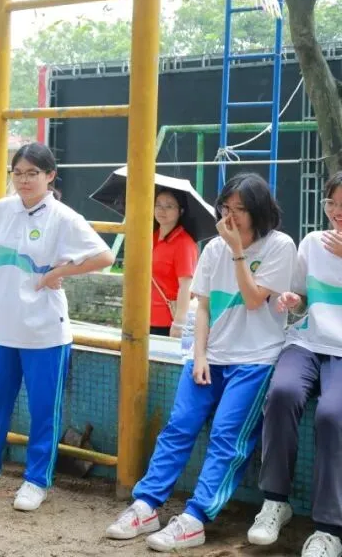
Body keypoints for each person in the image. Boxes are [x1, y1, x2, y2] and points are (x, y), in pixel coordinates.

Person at [105, 172, 295, 552]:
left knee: (227, 437)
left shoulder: (280, 246)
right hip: (212, 356)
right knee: (179, 427)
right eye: (226, 207)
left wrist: (238, 250)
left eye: (241, 209)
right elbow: (203, 307)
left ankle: (195, 517)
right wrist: (200, 355)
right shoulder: (212, 249)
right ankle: (147, 505)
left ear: (259, 211)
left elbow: (255, 299)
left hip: (256, 361)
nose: (232, 216)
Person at [0, 142, 114, 512]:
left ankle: (36, 481)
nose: (24, 180)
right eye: (18, 173)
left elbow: (105, 256)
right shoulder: (0, 210)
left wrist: (60, 272)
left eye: (33, 173)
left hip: (45, 332)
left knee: (45, 409)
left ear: (50, 176)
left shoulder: (63, 218)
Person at [247, 171, 342, 557]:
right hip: (306, 341)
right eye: (332, 203)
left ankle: (328, 528)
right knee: (282, 393)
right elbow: (301, 296)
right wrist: (292, 301)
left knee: (332, 417)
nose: (337, 212)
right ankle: (275, 502)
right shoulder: (312, 242)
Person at [151, 188, 199, 337]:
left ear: (181, 211)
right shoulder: (149, 236)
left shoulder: (184, 243)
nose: (161, 210)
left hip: (166, 321)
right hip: (141, 315)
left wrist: (179, 324)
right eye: (158, 204)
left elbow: (186, 286)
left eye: (169, 206)